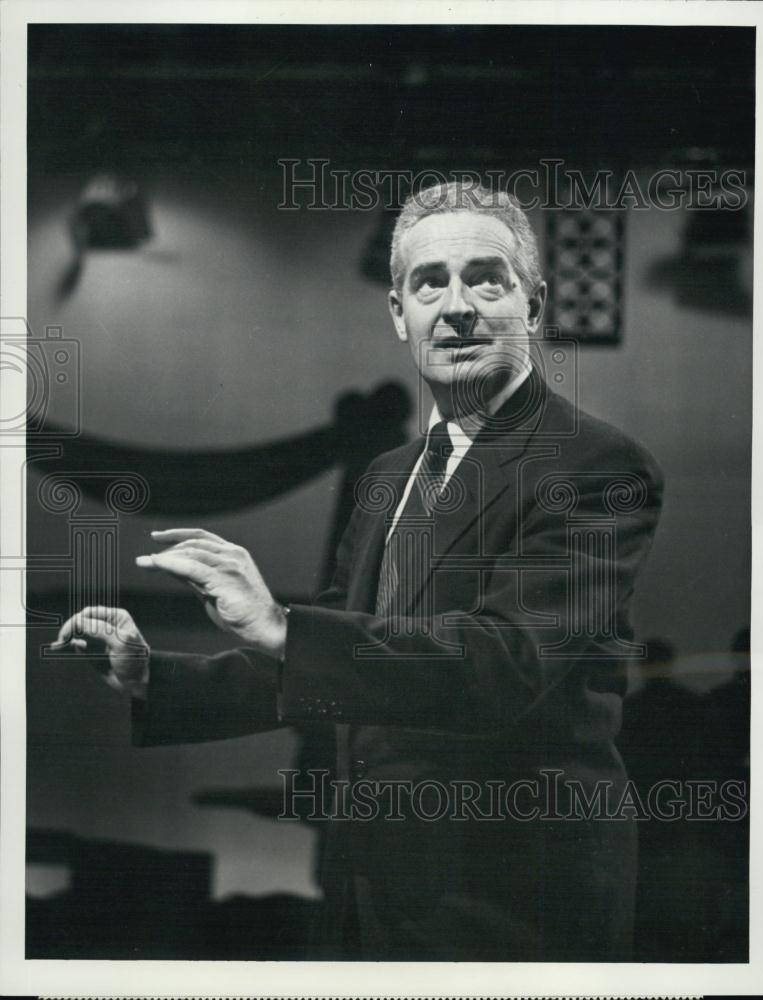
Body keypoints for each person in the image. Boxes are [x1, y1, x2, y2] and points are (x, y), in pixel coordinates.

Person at [55, 182, 664, 961]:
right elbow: (335, 661)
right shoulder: (389, 474)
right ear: (399, 314)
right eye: (429, 284)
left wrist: (284, 627)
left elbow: (501, 664)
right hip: (368, 888)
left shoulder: (594, 466)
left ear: (534, 305)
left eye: (485, 279)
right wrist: (159, 677)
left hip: (514, 902)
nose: (456, 307)